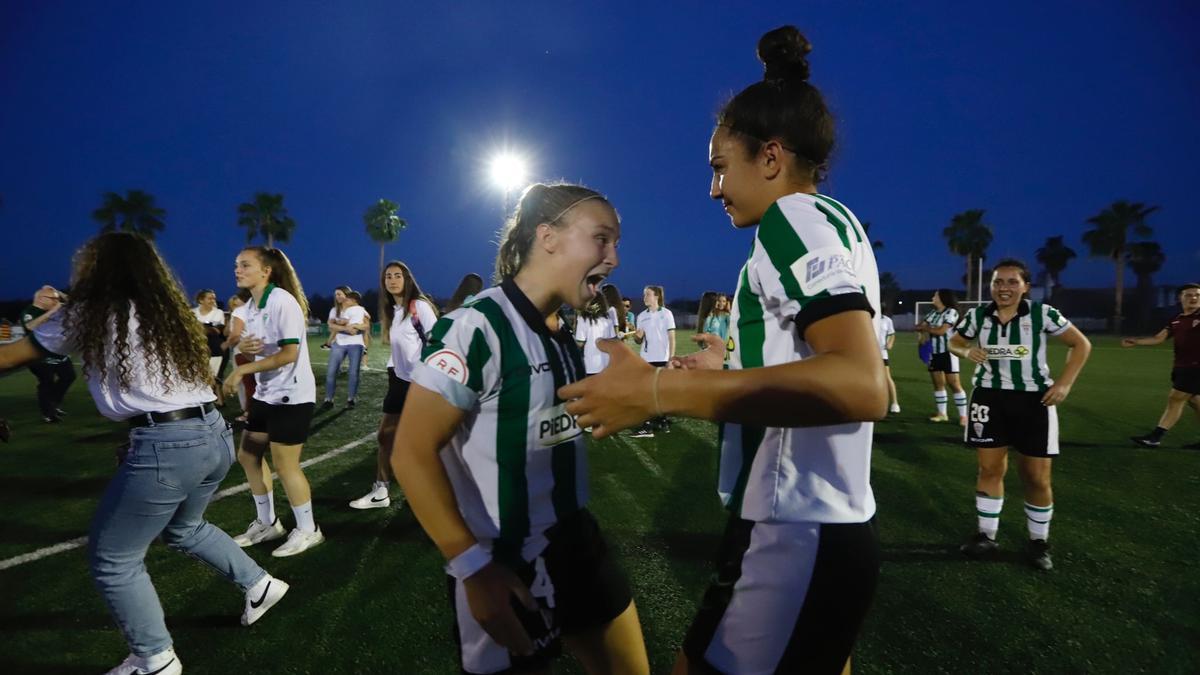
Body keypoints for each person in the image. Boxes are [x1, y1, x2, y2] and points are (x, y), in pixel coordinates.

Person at [560, 26, 885, 674]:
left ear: (769, 156)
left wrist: (656, 390)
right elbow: (828, 364)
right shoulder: (835, 219)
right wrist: (731, 367)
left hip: (793, 530)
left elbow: (862, 384)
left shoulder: (794, 220)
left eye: (719, 166)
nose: (713, 188)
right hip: (821, 525)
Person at [0, 233, 288, 675]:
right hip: (211, 433)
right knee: (185, 527)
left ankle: (154, 658)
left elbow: (11, 355)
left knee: (113, 558)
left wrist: (39, 312)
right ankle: (259, 584)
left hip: (168, 443)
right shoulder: (164, 309)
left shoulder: (92, 311)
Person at [392, 182, 649, 675]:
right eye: (602, 238)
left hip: (576, 537)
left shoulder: (559, 327)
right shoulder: (476, 327)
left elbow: (545, 422)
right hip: (505, 560)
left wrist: (642, 393)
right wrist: (470, 566)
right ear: (548, 237)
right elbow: (411, 451)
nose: (614, 257)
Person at [950, 258, 1091, 571]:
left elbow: (1080, 344)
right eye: (998, 282)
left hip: (1033, 402)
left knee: (1036, 476)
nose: (1004, 288)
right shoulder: (977, 316)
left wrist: (1065, 384)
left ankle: (1038, 542)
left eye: (1012, 282)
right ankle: (986, 535)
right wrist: (966, 351)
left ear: (1026, 286)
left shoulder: (1042, 313)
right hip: (988, 399)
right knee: (989, 469)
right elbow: (956, 341)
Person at [222, 246, 323, 557]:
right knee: (248, 456)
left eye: (245, 265)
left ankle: (308, 529)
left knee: (285, 465)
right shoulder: (250, 308)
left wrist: (243, 369)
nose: (238, 269)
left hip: (292, 395)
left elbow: (289, 354)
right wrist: (249, 350)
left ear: (266, 271)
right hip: (266, 394)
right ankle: (268, 524)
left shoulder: (282, 301)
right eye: (237, 264)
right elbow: (261, 352)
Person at [348, 261, 438, 510]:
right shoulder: (393, 311)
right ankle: (381, 491)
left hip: (421, 382)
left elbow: (437, 342)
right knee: (385, 436)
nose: (392, 280)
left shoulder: (419, 306)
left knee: (423, 442)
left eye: (398, 275)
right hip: (398, 380)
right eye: (388, 276)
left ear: (407, 279)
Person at [1125, 283, 1200, 449]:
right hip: (1181, 366)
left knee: (1176, 399)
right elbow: (1159, 338)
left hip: (1195, 368)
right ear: (1180, 298)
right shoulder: (1176, 320)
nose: (1194, 298)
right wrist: (1136, 341)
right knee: (1195, 401)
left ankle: (1155, 437)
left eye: (1197, 295)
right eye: (1189, 295)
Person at [916, 289, 967, 424]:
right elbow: (919, 326)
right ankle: (942, 414)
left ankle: (964, 416)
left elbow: (941, 331)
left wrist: (926, 329)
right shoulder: (932, 313)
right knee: (938, 384)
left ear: (942, 298)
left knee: (954, 384)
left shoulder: (951, 312)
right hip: (934, 352)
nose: (933, 297)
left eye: (935, 295)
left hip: (949, 352)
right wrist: (924, 329)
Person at [630, 285, 675, 438]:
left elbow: (672, 337)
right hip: (646, 359)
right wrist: (638, 336)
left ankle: (662, 420)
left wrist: (671, 358)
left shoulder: (667, 314)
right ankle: (648, 425)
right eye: (644, 295)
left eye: (647, 294)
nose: (644, 298)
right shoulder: (641, 316)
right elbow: (638, 341)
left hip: (662, 359)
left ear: (656, 296)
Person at [21, 302, 77, 423]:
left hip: (58, 354)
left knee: (69, 376)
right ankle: (48, 414)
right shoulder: (32, 312)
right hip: (38, 355)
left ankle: (53, 404)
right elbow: (29, 326)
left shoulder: (60, 311)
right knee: (47, 382)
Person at [321, 287, 370, 410]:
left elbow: (366, 325)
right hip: (339, 343)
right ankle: (328, 399)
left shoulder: (358, 309)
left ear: (348, 296)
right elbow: (331, 325)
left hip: (356, 343)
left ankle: (351, 399)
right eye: (335, 295)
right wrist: (346, 329)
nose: (337, 297)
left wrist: (355, 325)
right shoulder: (334, 310)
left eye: (339, 294)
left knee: (354, 373)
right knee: (331, 372)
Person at [221, 289, 255, 424]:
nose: (236, 307)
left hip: (243, 351)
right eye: (233, 305)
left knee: (248, 385)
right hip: (251, 350)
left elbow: (234, 335)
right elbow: (226, 331)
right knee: (251, 384)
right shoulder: (249, 312)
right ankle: (250, 410)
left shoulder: (240, 313)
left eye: (238, 303)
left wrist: (225, 344)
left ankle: (249, 413)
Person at [575, 292, 618, 376]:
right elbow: (613, 341)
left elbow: (580, 343)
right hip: (607, 364)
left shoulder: (583, 319)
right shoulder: (607, 318)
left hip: (591, 365)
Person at [192, 289, 225, 381]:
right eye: (210, 298)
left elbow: (216, 331)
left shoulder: (218, 312)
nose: (213, 301)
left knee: (211, 379)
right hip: (196, 349)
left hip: (213, 349)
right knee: (196, 378)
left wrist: (198, 327)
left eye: (214, 299)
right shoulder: (192, 312)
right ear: (201, 300)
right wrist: (207, 327)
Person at [877, 302, 900, 414]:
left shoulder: (887, 320)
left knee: (887, 377)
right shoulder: (868, 318)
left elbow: (892, 334)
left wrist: (890, 343)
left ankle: (895, 403)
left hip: (882, 353)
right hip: (868, 353)